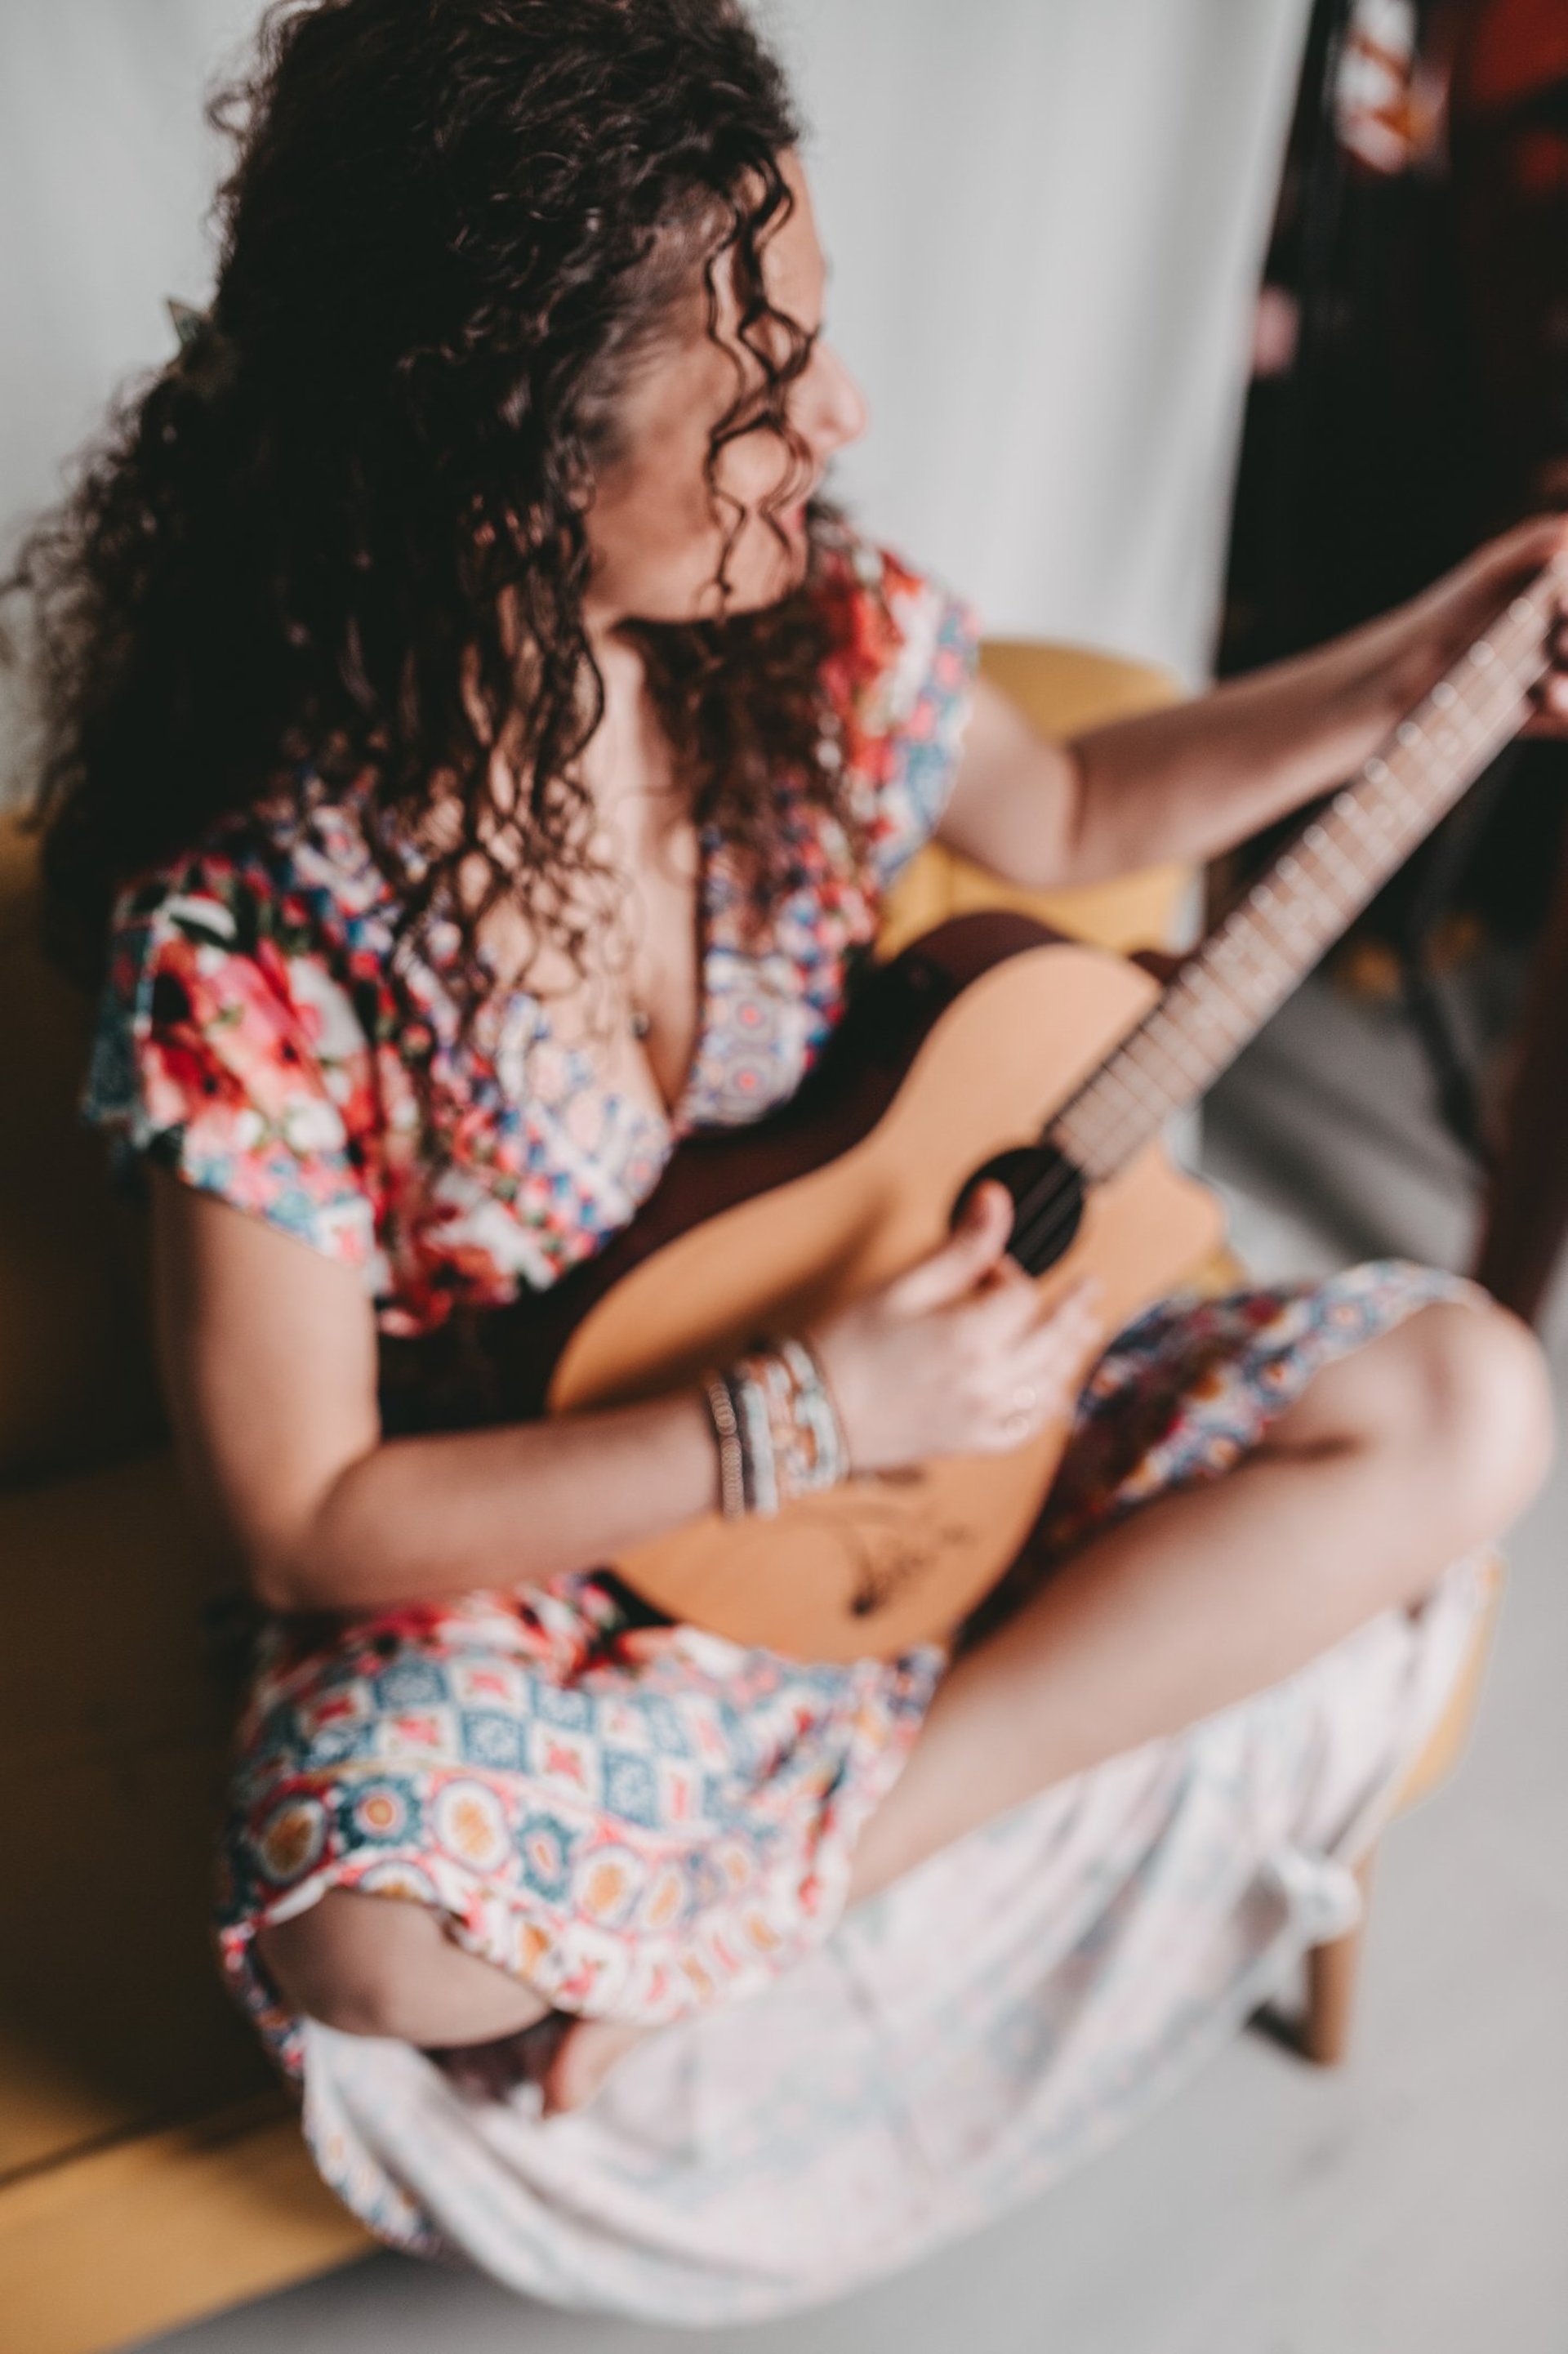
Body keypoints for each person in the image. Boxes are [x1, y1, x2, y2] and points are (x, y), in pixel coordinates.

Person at [10, 0, 1565, 2319]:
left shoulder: (793, 624)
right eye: (756, 399)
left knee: (1464, 1398)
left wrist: (1427, 653)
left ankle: (807, 1877)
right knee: (353, 1915)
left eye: (812, 347)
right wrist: (819, 1411)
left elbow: (1081, 807)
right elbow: (307, 1516)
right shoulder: (250, 925)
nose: (830, 422)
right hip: (563, 1562)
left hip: (921, 1508)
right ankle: (854, 1819)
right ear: (496, 465)